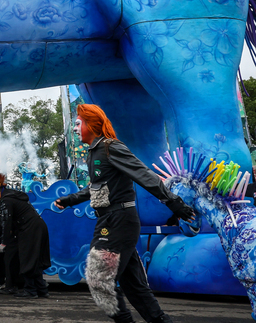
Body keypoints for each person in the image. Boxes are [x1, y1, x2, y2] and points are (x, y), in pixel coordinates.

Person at [56, 104, 195, 323]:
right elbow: (96, 186)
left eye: (77, 123)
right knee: (134, 285)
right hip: (112, 221)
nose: (74, 128)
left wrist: (175, 204)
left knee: (100, 280)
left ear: (92, 123)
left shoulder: (111, 147)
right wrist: (69, 200)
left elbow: (145, 175)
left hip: (118, 221)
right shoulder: (94, 152)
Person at [0, 171, 51, 299]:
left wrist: (4, 242)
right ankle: (41, 289)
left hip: (30, 229)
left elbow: (6, 222)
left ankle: (30, 290)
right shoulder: (15, 197)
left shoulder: (7, 200)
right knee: (34, 259)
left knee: (27, 258)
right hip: (39, 226)